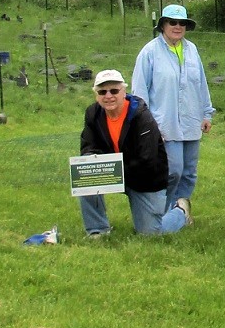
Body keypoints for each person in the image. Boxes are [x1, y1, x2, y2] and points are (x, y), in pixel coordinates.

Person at [77, 70, 191, 237]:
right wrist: (91, 162)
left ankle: (181, 211)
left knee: (150, 233)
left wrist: (113, 171)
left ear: (124, 92)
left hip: (145, 179)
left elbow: (147, 160)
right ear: (96, 95)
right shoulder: (92, 113)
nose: (108, 96)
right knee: (85, 172)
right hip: (116, 173)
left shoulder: (141, 116)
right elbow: (88, 145)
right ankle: (98, 230)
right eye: (102, 92)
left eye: (114, 91)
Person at [131, 4, 215, 211]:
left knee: (189, 172)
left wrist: (207, 113)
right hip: (163, 124)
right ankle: (163, 210)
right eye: (172, 22)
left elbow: (201, 84)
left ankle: (181, 209)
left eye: (182, 23)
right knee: (173, 170)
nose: (177, 27)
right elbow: (140, 92)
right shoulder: (149, 52)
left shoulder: (192, 50)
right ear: (163, 25)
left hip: (191, 121)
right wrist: (146, 124)